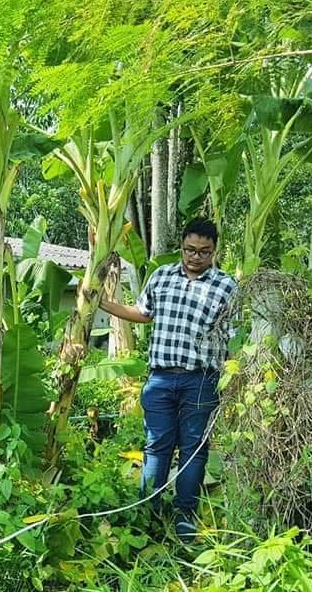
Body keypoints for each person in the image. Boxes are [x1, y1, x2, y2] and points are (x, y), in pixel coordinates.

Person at [98, 218, 238, 540]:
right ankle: (147, 511)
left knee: (193, 450)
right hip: (160, 378)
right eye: (190, 250)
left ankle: (184, 516)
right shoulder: (161, 276)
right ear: (181, 247)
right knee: (156, 446)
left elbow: (233, 337)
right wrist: (104, 304)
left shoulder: (226, 286)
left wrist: (232, 382)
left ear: (214, 251)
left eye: (205, 251)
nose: (196, 257)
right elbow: (144, 313)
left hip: (201, 380)